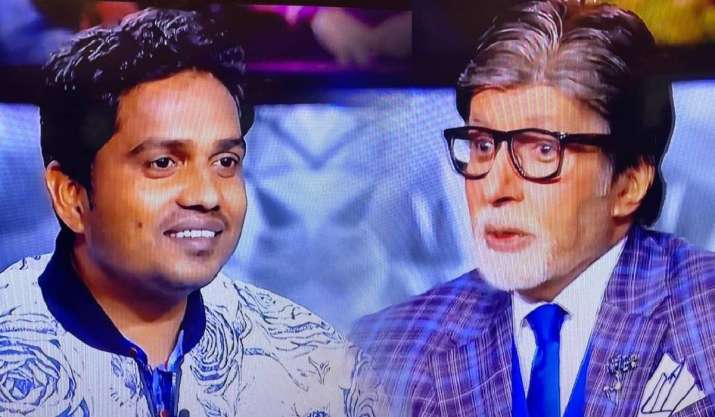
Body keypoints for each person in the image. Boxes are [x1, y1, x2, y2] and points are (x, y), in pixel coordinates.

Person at [0, 8, 380, 417]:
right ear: (71, 195)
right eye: (163, 163)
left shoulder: (319, 367)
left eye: (225, 162)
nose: (207, 195)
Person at [351, 1, 715, 417]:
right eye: (483, 145)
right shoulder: (382, 350)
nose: (495, 188)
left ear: (629, 183)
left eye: (543, 150)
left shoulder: (705, 316)